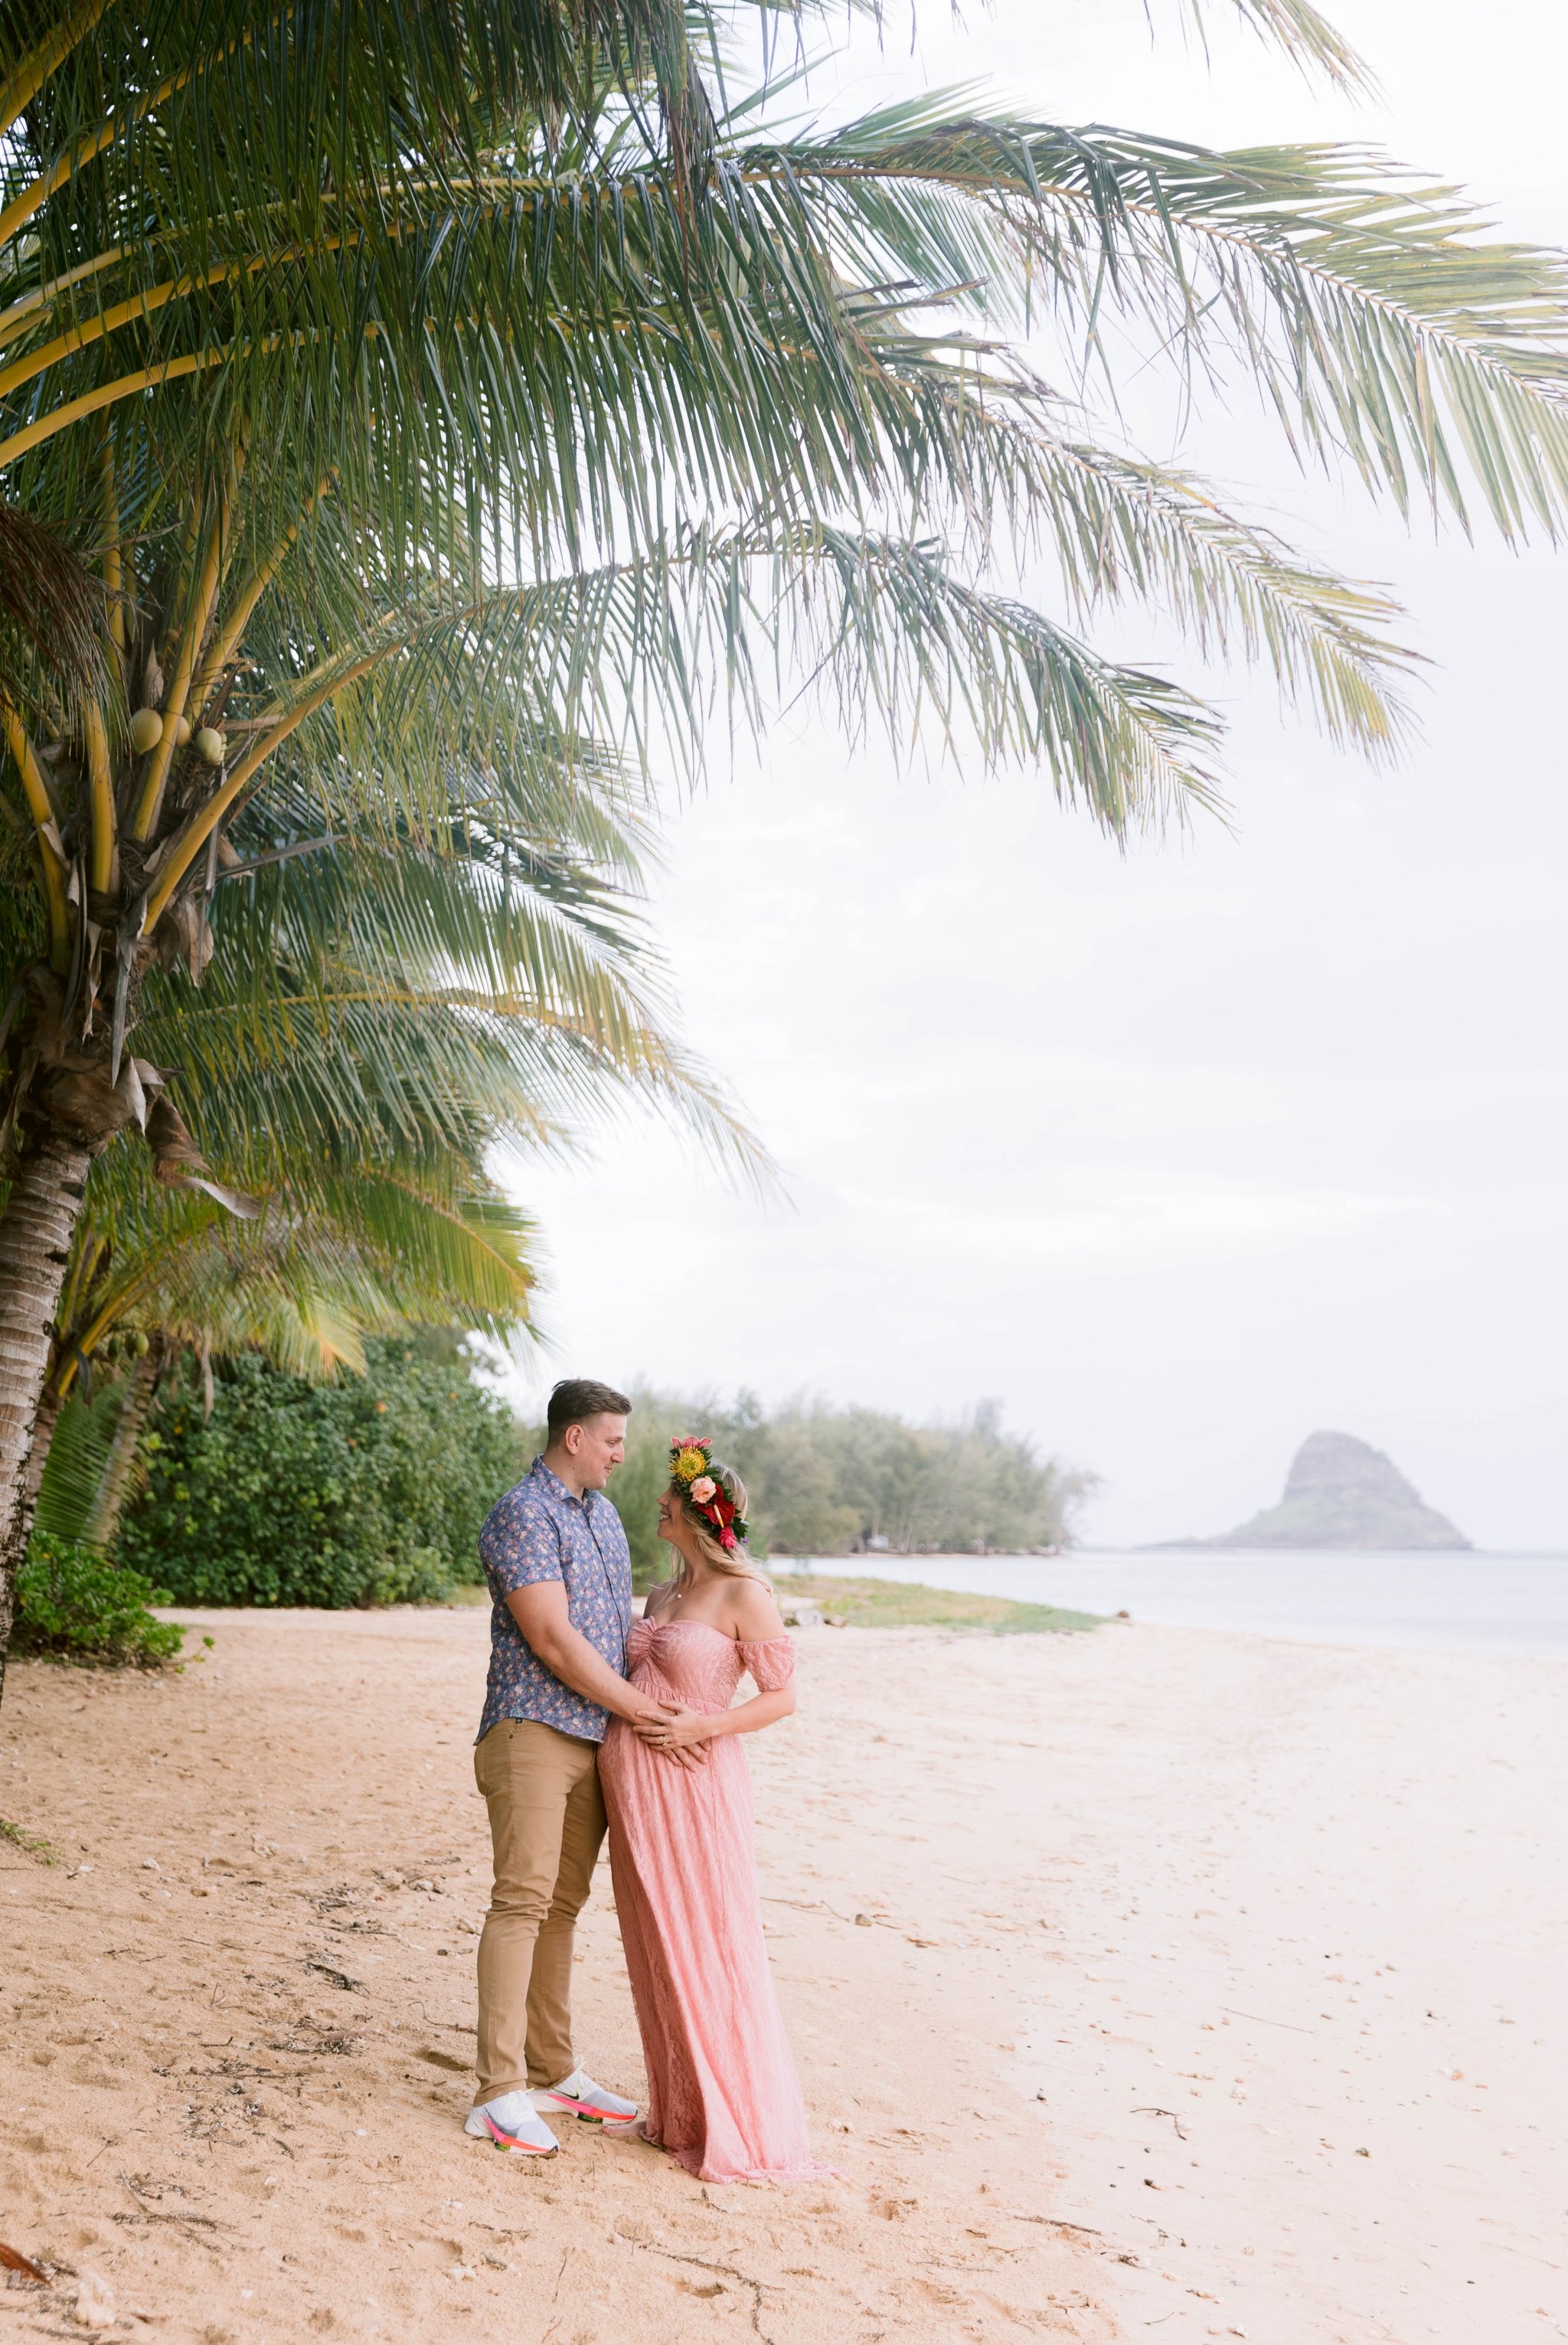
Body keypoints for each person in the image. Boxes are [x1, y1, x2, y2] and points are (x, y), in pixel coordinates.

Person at [466, 1379, 710, 2156]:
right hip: (531, 1729)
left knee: (562, 1908)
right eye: (611, 1440)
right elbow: (553, 1639)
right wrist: (643, 1713)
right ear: (573, 1437)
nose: (619, 1454)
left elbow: (620, 1631)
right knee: (521, 1901)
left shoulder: (601, 1516)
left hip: (596, 1739)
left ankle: (553, 2071)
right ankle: (497, 2093)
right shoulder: (522, 1512)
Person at [599, 1436, 833, 2183]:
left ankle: (741, 2121)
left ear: (702, 1512)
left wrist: (703, 1724)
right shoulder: (663, 1594)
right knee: (658, 1945)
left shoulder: (744, 1594)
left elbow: (782, 1698)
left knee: (712, 1939)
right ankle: (681, 2113)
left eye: (668, 1500)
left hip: (699, 1785)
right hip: (637, 1789)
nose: (657, 1507)